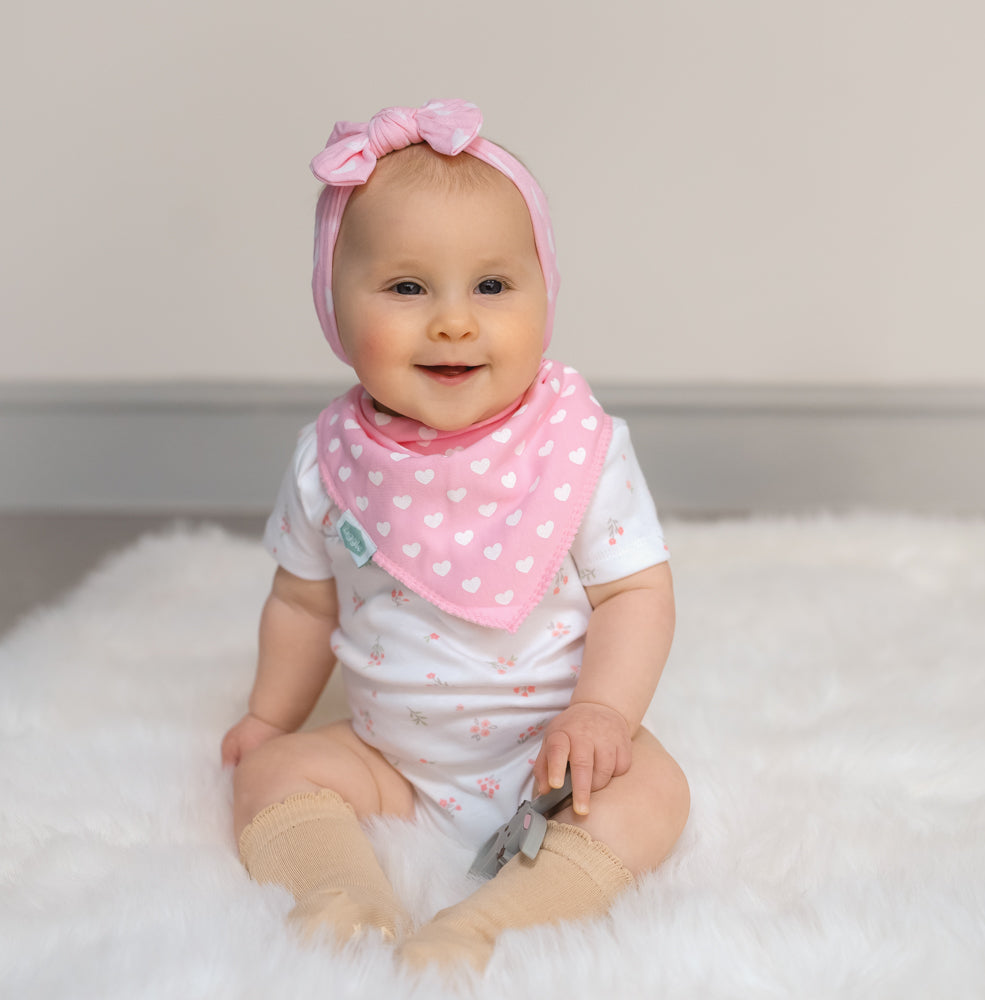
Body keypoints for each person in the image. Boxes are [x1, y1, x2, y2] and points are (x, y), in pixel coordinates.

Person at [221, 99, 690, 973]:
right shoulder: (332, 460)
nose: (453, 320)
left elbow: (635, 590)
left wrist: (602, 713)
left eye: (492, 285)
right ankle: (343, 895)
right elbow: (299, 598)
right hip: (389, 758)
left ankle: (488, 927)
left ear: (545, 292)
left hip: (550, 758)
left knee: (656, 795)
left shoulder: (575, 445)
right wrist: (268, 715)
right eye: (406, 287)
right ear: (333, 304)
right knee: (270, 775)